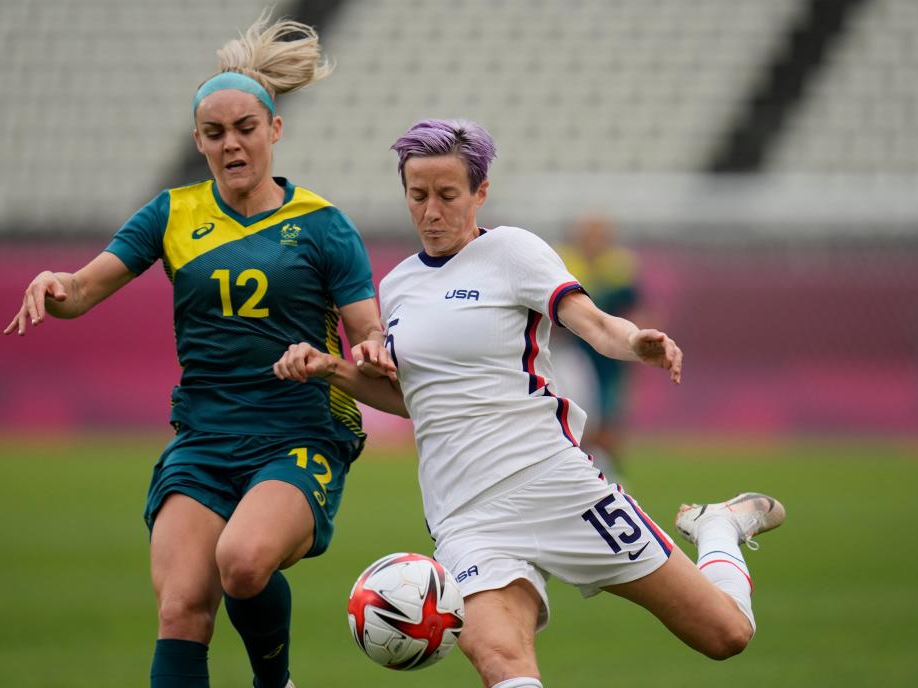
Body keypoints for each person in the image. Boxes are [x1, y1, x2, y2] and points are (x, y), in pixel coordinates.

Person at [273, 119, 785, 688]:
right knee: (501, 662)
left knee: (725, 635)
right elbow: (415, 399)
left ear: (480, 192)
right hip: (465, 516)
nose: (431, 211)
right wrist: (331, 369)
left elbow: (592, 323)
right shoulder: (395, 288)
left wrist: (635, 342)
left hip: (553, 482)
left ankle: (718, 528)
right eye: (417, 196)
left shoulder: (512, 252)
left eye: (447, 195)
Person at [4, 13, 399, 688]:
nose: (231, 143)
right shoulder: (171, 213)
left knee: (243, 563)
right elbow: (82, 290)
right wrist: (54, 285)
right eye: (215, 133)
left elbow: (368, 334)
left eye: (246, 128)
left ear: (274, 130)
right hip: (205, 437)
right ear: (199, 141)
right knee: (182, 608)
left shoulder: (322, 226)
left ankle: (274, 682)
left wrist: (374, 353)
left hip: (299, 434)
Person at [554, 215, 644, 479]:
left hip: (609, 358)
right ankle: (590, 475)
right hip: (575, 356)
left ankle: (608, 475)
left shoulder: (618, 267)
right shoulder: (564, 264)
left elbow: (637, 307)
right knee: (581, 420)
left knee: (608, 418)